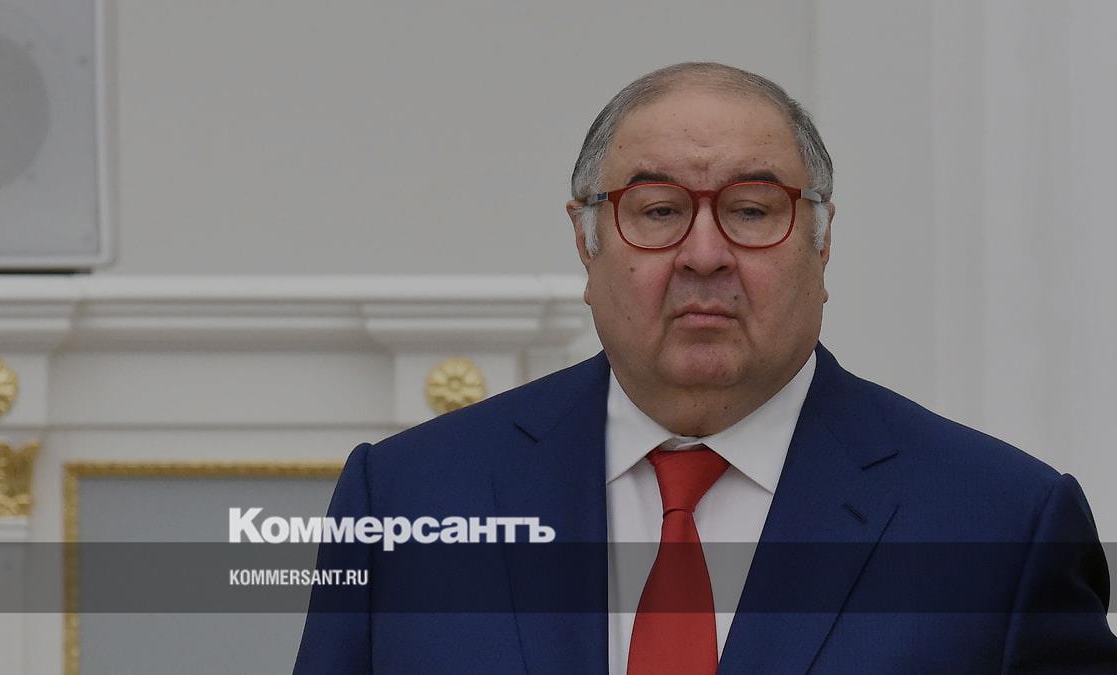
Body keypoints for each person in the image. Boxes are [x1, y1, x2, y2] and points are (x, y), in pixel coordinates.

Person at [294, 62, 1117, 674]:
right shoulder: (405, 499)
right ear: (586, 242)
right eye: (657, 211)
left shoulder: (1004, 524)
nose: (704, 254)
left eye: (752, 210)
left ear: (822, 243)